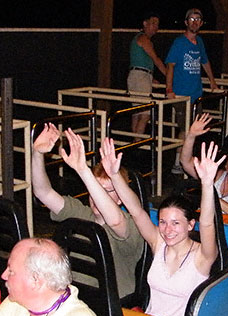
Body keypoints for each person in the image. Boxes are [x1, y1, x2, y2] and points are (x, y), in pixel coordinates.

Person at [100, 136, 224, 316]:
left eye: (176, 223)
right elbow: (137, 212)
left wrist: (208, 184)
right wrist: (115, 176)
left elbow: (208, 223)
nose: (168, 230)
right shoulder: (158, 243)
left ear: (191, 225)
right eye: (163, 222)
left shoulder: (203, 256)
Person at [31, 124, 144, 299]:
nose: (97, 196)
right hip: (74, 298)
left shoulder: (131, 225)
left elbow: (115, 221)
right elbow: (42, 192)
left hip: (112, 305)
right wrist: (38, 155)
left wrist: (83, 170)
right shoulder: (80, 212)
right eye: (96, 189)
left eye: (108, 191)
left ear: (121, 197)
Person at [180, 113, 228, 225]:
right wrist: (191, 136)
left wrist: (215, 200)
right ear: (226, 165)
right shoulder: (215, 175)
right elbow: (186, 162)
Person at [165, 8, 218, 174]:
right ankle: (178, 162)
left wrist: (212, 82)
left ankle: (187, 160)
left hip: (196, 93)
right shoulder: (179, 43)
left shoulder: (199, 42)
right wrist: (169, 89)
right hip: (181, 93)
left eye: (198, 20)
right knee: (186, 129)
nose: (195, 22)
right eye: (192, 19)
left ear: (201, 23)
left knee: (195, 128)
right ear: (186, 22)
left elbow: (205, 62)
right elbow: (170, 65)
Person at [127, 11, 168, 134]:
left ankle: (135, 143)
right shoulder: (143, 38)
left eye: (157, 24)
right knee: (145, 113)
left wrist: (150, 77)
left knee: (137, 111)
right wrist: (170, 77)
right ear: (145, 23)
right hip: (140, 76)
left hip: (138, 75)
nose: (156, 27)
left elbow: (142, 62)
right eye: (153, 23)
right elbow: (156, 59)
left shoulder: (139, 38)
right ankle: (138, 143)